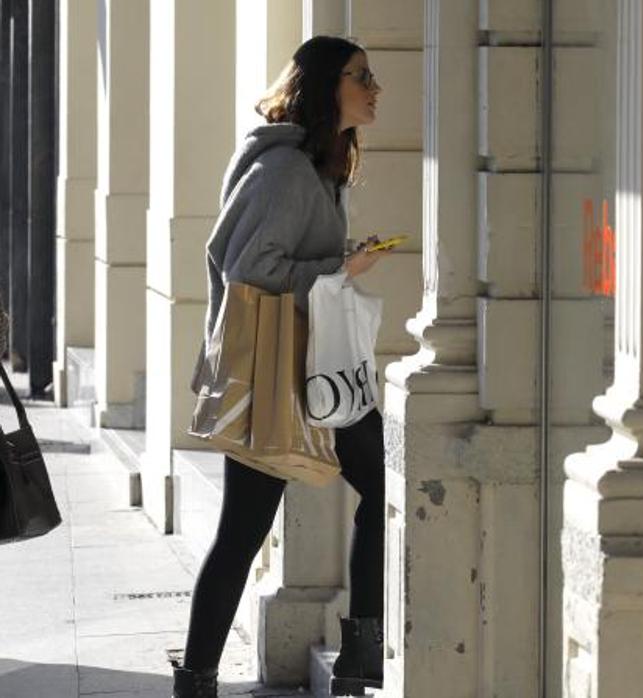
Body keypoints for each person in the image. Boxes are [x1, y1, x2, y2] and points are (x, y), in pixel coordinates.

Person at [172, 36, 388, 698]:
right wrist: (340, 266)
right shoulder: (287, 171)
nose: (375, 88)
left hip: (316, 365)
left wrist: (337, 261)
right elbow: (251, 269)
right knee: (246, 530)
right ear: (326, 85)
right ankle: (205, 679)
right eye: (361, 76)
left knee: (379, 489)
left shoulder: (318, 168)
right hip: (283, 371)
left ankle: (358, 658)